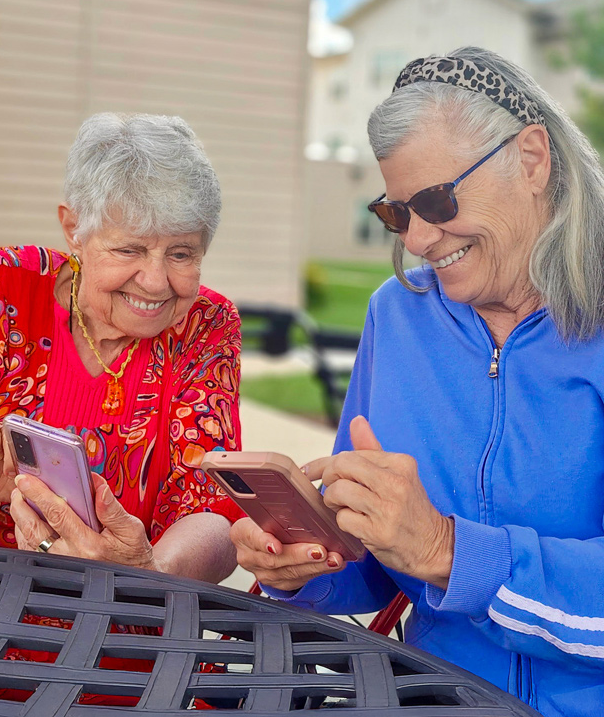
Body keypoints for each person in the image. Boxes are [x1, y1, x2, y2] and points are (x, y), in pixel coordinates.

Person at [231, 47, 604, 717]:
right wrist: (304, 560)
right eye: (398, 213)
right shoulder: (396, 314)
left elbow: (431, 552)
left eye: (437, 199)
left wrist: (448, 550)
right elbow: (374, 564)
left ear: (531, 160)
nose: (421, 239)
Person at [0, 112, 243, 582]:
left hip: (134, 629)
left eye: (180, 253)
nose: (155, 283)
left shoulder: (205, 325)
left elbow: (215, 508)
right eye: (129, 250)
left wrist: (151, 570)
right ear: (74, 228)